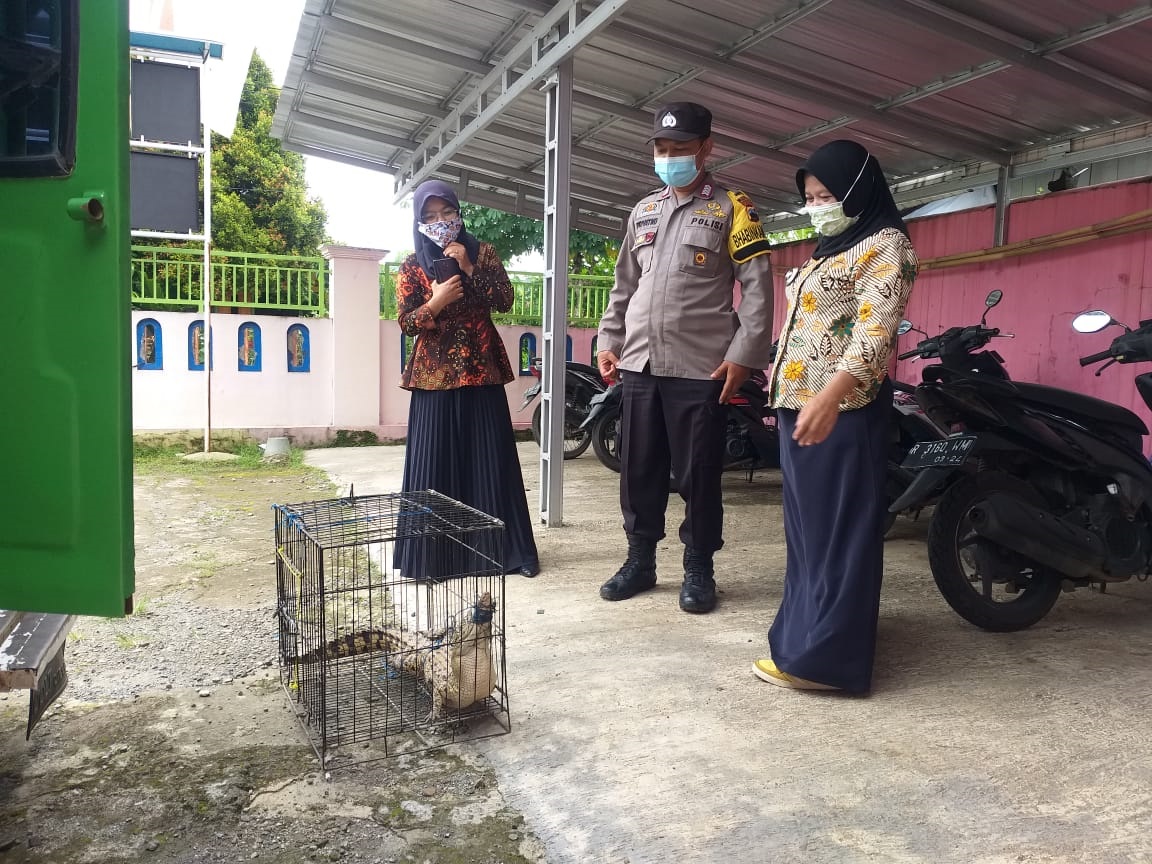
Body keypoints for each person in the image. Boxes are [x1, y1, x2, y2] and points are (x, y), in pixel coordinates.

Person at [596, 102, 775, 614]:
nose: (668, 157)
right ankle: (640, 560)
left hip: (703, 368)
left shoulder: (733, 209)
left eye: (679, 148)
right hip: (639, 364)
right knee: (639, 468)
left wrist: (744, 356)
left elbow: (757, 290)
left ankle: (699, 565)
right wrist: (608, 342)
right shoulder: (643, 211)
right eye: (661, 148)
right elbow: (623, 286)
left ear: (706, 149)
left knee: (698, 472)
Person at [753, 140, 918, 692]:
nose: (817, 205)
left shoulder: (885, 246)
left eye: (827, 194)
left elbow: (874, 334)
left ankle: (829, 663)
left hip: (841, 412)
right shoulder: (828, 248)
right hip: (799, 410)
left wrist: (829, 396)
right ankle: (803, 642)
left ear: (858, 190)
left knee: (838, 536)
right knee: (807, 536)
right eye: (810, 196)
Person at [394, 179, 540, 579]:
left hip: (481, 371)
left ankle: (503, 556)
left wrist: (471, 267)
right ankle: (432, 561)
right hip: (433, 378)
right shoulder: (411, 266)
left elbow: (505, 300)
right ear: (419, 221)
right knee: (433, 465)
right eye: (430, 216)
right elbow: (407, 322)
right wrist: (436, 301)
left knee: (491, 463)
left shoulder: (483, 253)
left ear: (459, 215)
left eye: (447, 214)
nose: (440, 222)